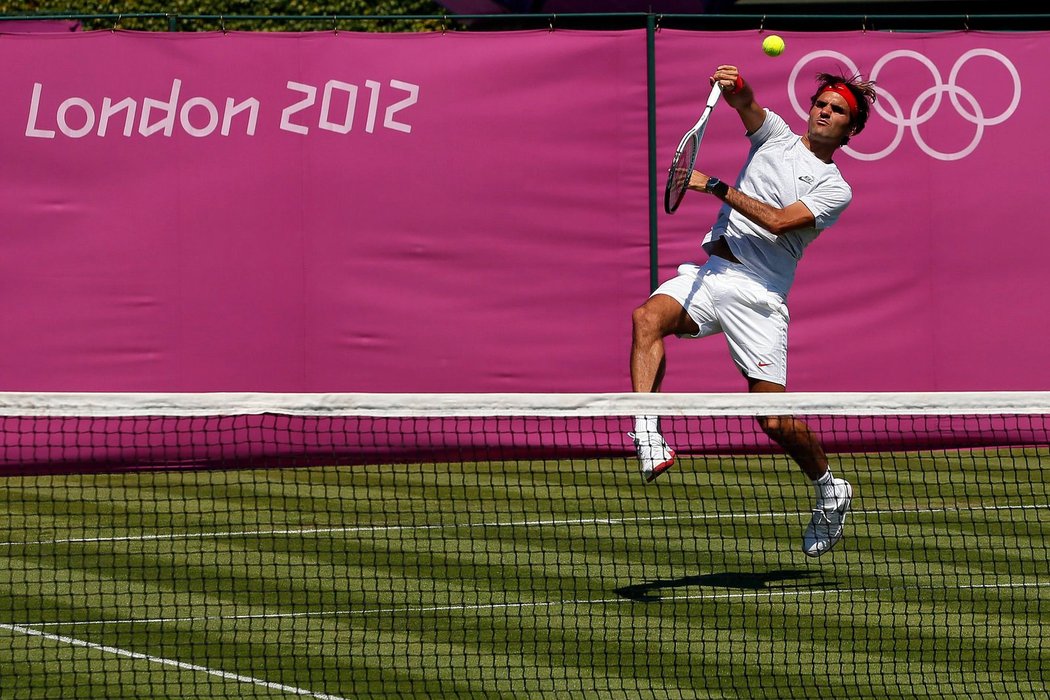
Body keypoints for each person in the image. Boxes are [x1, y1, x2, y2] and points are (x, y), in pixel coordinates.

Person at [629, 65, 877, 557]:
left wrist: (716, 186)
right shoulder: (776, 136)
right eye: (821, 104)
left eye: (837, 111)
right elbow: (746, 103)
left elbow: (782, 222)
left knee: (772, 421)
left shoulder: (835, 187)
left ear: (850, 131)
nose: (824, 112)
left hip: (760, 296)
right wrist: (734, 83)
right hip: (711, 272)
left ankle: (829, 485)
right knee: (646, 318)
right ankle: (647, 432)